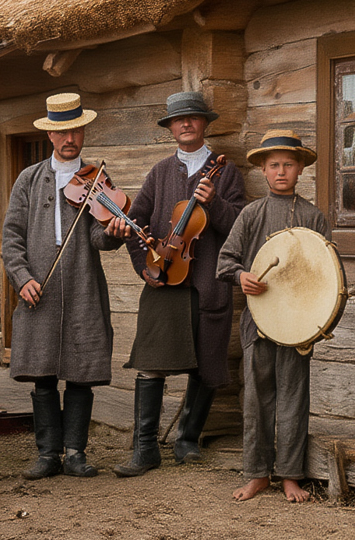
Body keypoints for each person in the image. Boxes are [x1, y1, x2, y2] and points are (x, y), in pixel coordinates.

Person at [114, 91, 246, 478]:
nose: (185, 124)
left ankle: (188, 439)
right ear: (170, 127)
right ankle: (145, 449)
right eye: (178, 119)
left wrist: (215, 204)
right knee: (150, 364)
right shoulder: (159, 172)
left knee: (205, 367)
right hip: (164, 282)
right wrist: (145, 265)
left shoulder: (226, 173)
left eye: (192, 117)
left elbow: (240, 225)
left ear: (204, 123)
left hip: (207, 283)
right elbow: (135, 224)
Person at [2, 93, 130, 479]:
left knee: (80, 371)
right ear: (50, 134)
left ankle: (75, 452)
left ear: (84, 130)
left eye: (75, 129)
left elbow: (98, 239)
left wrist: (115, 232)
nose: (69, 137)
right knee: (42, 372)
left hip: (81, 283)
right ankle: (47, 454)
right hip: (39, 284)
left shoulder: (97, 179)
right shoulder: (28, 178)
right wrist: (22, 278)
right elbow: (11, 237)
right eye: (61, 131)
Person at [216, 131, 327, 502]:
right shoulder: (251, 214)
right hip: (259, 322)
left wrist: (317, 319)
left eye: (289, 164)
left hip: (299, 324)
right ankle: (257, 473)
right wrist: (241, 276)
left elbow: (329, 275)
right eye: (274, 164)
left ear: (300, 169)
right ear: (263, 169)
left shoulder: (313, 217)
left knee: (294, 397)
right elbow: (226, 261)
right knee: (257, 398)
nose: (282, 171)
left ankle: (291, 475)